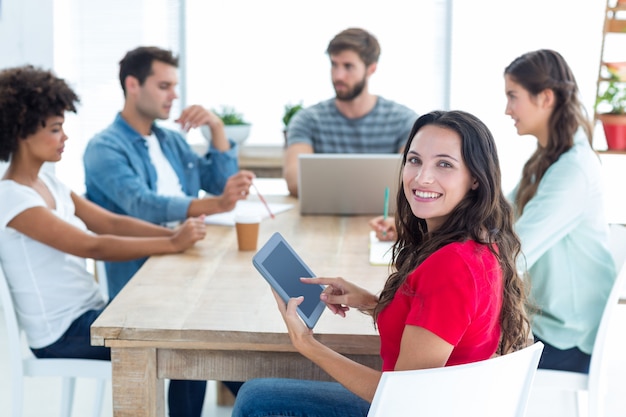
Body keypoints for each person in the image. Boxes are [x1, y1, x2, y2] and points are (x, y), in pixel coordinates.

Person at [232, 110, 530, 417]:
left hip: (415, 408)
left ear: (476, 179)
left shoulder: (452, 265)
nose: (421, 177)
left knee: (256, 400)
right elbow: (441, 321)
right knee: (258, 394)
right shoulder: (480, 242)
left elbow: (401, 398)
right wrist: (369, 301)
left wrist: (307, 344)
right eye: (414, 160)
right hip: (444, 403)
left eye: (444, 164)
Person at [0, 65, 208, 417]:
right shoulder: (12, 198)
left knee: (191, 330)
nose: (64, 137)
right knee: (188, 348)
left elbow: (107, 221)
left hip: (92, 315)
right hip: (62, 336)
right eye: (55, 129)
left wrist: (173, 234)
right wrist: (172, 244)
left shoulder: (49, 183)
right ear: (21, 133)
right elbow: (90, 245)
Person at [83, 46, 255, 300]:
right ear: (133, 85)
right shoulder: (103, 148)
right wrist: (217, 204)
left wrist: (216, 126)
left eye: (175, 86)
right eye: (164, 86)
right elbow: (143, 204)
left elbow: (220, 185)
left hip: (190, 253)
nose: (174, 96)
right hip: (145, 275)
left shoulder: (171, 140)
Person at [503, 49, 616, 373]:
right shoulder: (550, 159)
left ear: (545, 97)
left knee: (462, 359)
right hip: (551, 324)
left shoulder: (572, 170)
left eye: (513, 96)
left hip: (567, 339)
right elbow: (500, 214)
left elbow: (514, 251)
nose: (507, 109)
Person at [283, 27, 418, 196]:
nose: (338, 76)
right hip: (322, 218)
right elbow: (295, 181)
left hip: (384, 220)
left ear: (371, 69)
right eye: (334, 64)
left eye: (348, 66)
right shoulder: (307, 119)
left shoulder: (403, 121)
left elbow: (410, 180)